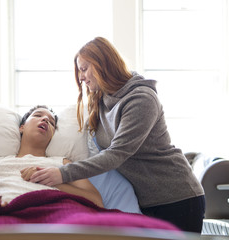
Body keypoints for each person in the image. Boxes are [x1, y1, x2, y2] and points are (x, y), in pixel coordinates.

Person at [28, 37, 205, 233]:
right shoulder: (102, 98)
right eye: (79, 71)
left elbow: (116, 154)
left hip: (176, 197)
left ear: (102, 64)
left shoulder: (141, 99)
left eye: (84, 68)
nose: (80, 77)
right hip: (146, 200)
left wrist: (62, 174)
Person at [0, 105, 103, 216]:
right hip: (5, 214)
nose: (45, 119)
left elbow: (96, 201)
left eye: (51, 122)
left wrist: (50, 181)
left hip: (55, 214)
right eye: (38, 115)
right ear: (22, 127)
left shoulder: (62, 163)